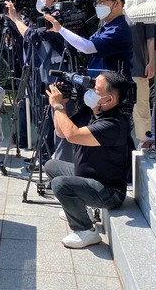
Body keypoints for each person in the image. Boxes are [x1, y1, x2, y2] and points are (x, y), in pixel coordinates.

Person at [43, 71, 131, 249]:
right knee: (52, 165)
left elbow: (72, 135)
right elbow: (62, 132)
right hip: (87, 178)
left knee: (60, 184)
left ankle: (86, 231)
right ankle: (83, 211)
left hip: (108, 191)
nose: (90, 91)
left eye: (95, 89)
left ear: (109, 100)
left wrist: (58, 107)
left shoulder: (113, 124)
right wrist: (63, 105)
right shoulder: (90, 111)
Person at [6, 0, 70, 162]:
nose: (39, 0)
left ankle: (51, 160)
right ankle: (43, 155)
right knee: (42, 116)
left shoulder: (58, 16)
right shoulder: (43, 15)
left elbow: (31, 36)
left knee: (52, 118)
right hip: (41, 71)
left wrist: (15, 19)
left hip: (56, 74)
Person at [43, 0, 133, 78]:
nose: (98, 6)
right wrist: (70, 31)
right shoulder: (106, 27)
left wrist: (61, 29)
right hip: (100, 85)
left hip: (114, 89)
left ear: (117, 3)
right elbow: (80, 47)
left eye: (101, 1)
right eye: (97, 2)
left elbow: (87, 47)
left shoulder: (119, 30)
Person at [114, 0, 155, 147]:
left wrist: (152, 61)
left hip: (138, 66)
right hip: (116, 69)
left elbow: (151, 38)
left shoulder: (144, 8)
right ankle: (118, 144)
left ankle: (145, 143)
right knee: (116, 106)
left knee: (141, 107)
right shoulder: (114, 10)